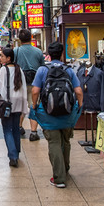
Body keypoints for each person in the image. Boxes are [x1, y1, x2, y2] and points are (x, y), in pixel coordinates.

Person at [31, 42, 83, 188]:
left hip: (49, 113)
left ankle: (59, 178)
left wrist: (35, 106)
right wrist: (79, 106)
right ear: (62, 54)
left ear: (48, 54)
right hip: (67, 113)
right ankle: (65, 169)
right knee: (66, 141)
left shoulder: (42, 70)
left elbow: (35, 91)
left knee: (54, 142)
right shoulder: (69, 70)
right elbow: (78, 91)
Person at [0, 47, 29, 167]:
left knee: (7, 129)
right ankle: (16, 152)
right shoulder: (19, 69)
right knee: (15, 129)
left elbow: (0, 86)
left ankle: (13, 156)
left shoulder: (4, 70)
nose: (0, 57)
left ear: (8, 58)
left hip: (7, 103)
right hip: (19, 102)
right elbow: (23, 87)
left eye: (2, 56)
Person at [14, 28, 46, 141]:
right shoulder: (38, 52)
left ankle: (19, 126)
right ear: (31, 38)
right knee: (34, 105)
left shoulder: (15, 51)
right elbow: (43, 68)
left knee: (21, 106)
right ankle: (33, 132)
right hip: (35, 83)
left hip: (20, 83)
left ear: (19, 39)